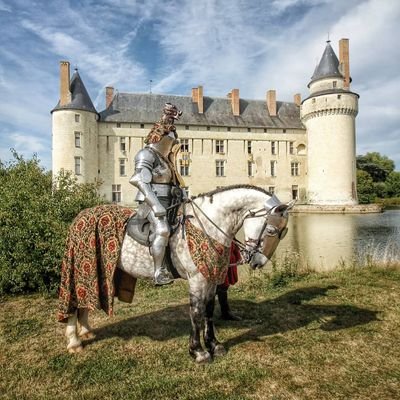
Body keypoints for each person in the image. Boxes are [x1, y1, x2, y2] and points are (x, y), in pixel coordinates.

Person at [129, 103, 186, 285]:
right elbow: (138, 180)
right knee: (162, 230)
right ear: (158, 138)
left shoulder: (166, 160)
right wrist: (155, 205)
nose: (172, 144)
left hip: (171, 201)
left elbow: (173, 181)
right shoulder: (147, 154)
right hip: (151, 201)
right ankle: (158, 273)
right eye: (169, 140)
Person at [216, 241, 242, 320]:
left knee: (223, 288)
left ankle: (225, 313)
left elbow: (234, 247)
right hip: (220, 264)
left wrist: (238, 257)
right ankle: (208, 315)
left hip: (228, 262)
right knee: (219, 288)